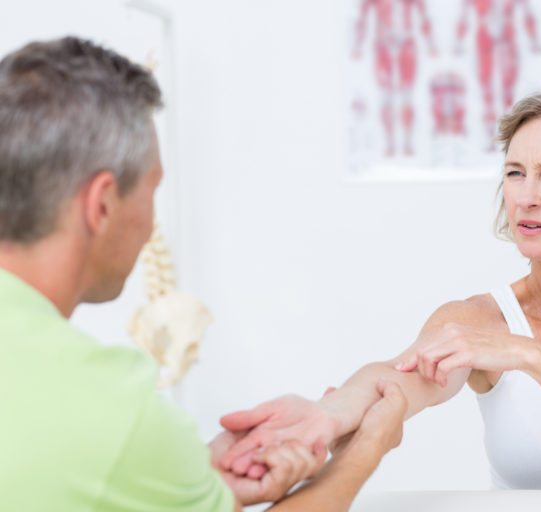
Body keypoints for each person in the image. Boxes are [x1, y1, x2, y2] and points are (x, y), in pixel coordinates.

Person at [219, 87, 541, 490]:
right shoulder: (481, 321)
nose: (526, 197)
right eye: (515, 173)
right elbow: (397, 379)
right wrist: (324, 416)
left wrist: (531, 355)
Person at [0, 36, 406, 511]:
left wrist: (186, 480)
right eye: (152, 191)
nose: (152, 223)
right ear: (103, 204)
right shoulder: (107, 404)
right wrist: (365, 449)